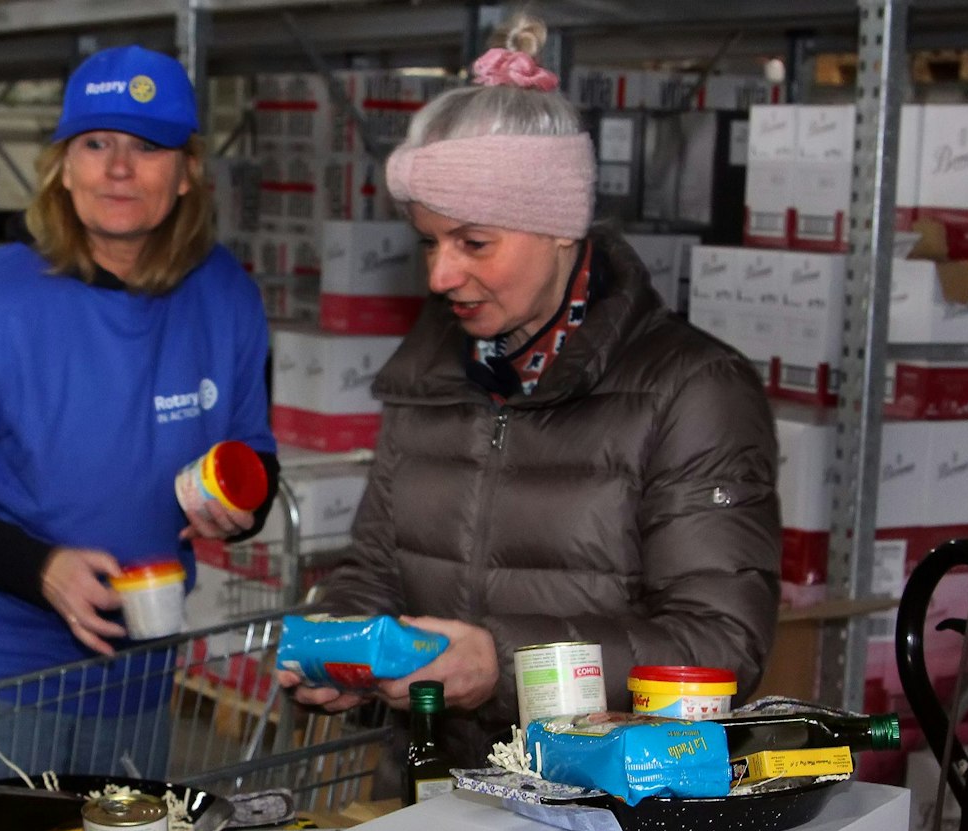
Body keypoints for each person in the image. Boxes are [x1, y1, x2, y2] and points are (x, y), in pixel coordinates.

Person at [281, 14, 780, 763]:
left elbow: (718, 645)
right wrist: (346, 649)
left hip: (609, 808)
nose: (440, 276)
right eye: (429, 241)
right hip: (435, 785)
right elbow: (378, 568)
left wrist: (503, 666)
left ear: (557, 229)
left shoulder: (692, 391)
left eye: (473, 242)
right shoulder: (430, 377)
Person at [0, 45, 277, 789]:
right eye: (95, 144)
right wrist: (41, 570)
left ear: (187, 172)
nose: (118, 169)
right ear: (61, 165)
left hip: (138, 669)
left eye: (146, 146)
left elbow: (252, 452)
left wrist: (239, 510)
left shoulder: (225, 294)